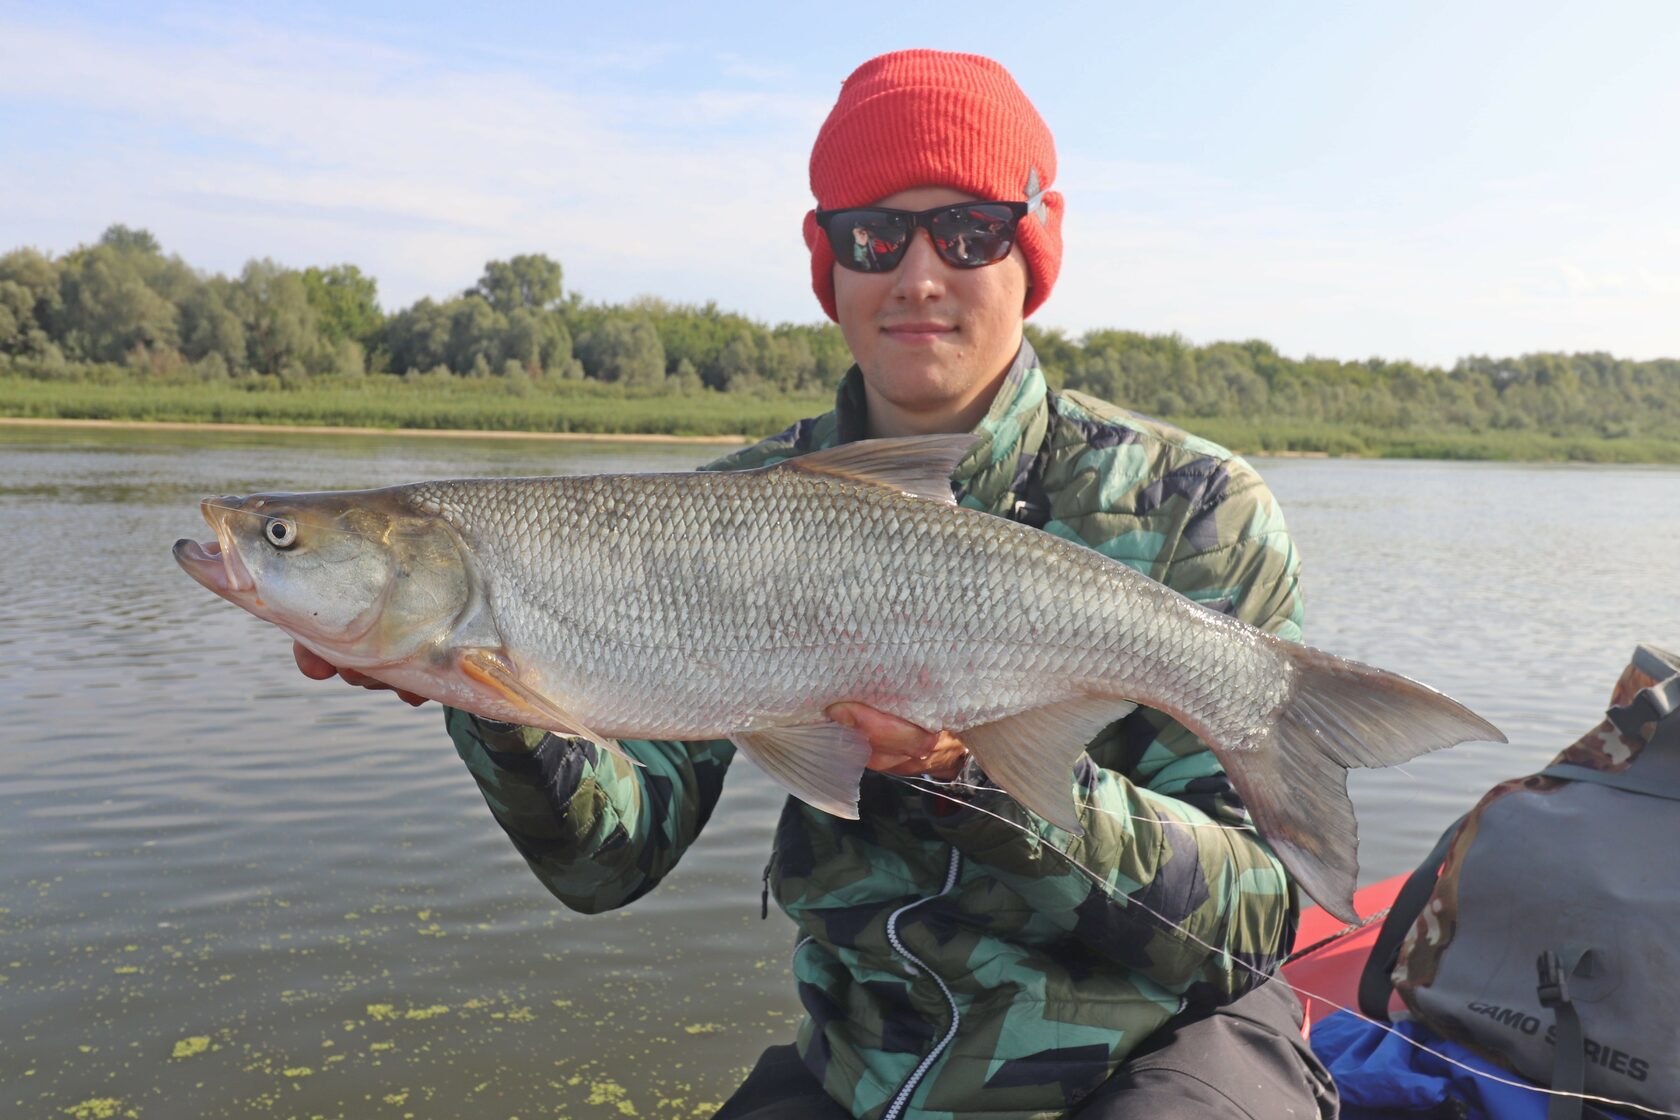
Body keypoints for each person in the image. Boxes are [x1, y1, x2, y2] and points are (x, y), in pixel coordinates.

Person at [296, 49, 1336, 1120]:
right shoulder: (726, 508)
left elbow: (1250, 929)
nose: (919, 275)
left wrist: (974, 778)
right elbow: (610, 863)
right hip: (868, 1064)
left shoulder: (1198, 506)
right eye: (875, 235)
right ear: (828, 262)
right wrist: (492, 702)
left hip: (1157, 1055)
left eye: (969, 232)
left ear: (1033, 250)